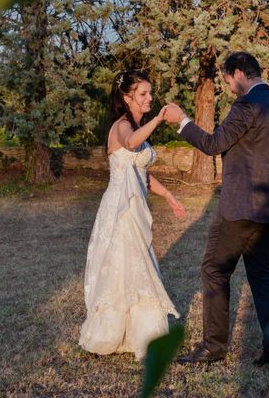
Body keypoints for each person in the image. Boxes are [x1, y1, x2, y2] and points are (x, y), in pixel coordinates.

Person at [163, 51, 269, 367]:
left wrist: (182, 120)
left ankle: (213, 348)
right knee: (262, 276)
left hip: (239, 206)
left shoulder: (246, 106)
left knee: (214, 269)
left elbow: (213, 144)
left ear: (239, 73)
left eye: (227, 81)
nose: (229, 88)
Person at [79, 70, 185, 361]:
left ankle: (142, 334)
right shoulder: (122, 126)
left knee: (140, 265)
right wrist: (160, 119)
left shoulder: (136, 125)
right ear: (128, 97)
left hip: (137, 206)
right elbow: (130, 144)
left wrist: (169, 196)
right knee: (123, 265)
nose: (150, 97)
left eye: (150, 93)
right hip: (120, 209)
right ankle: (108, 332)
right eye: (143, 94)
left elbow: (142, 173)